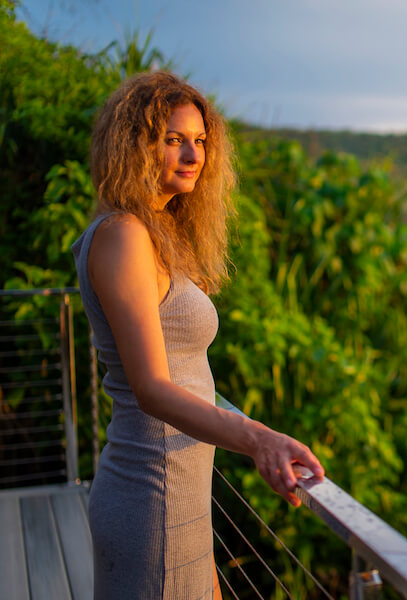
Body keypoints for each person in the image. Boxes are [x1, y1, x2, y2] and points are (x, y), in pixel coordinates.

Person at [71, 71, 324, 600]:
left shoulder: (153, 233)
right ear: (135, 145)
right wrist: (258, 438)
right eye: (172, 139)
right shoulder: (124, 235)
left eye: (200, 141)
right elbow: (152, 387)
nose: (193, 155)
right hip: (151, 495)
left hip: (178, 496)